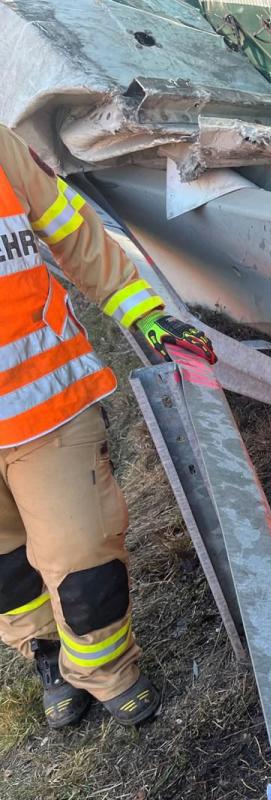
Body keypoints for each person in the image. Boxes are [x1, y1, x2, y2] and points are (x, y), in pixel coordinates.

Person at [0, 124, 217, 729]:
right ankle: (45, 653)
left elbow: (73, 231)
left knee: (83, 558)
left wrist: (143, 312)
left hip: (48, 408)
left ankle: (104, 669)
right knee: (5, 569)